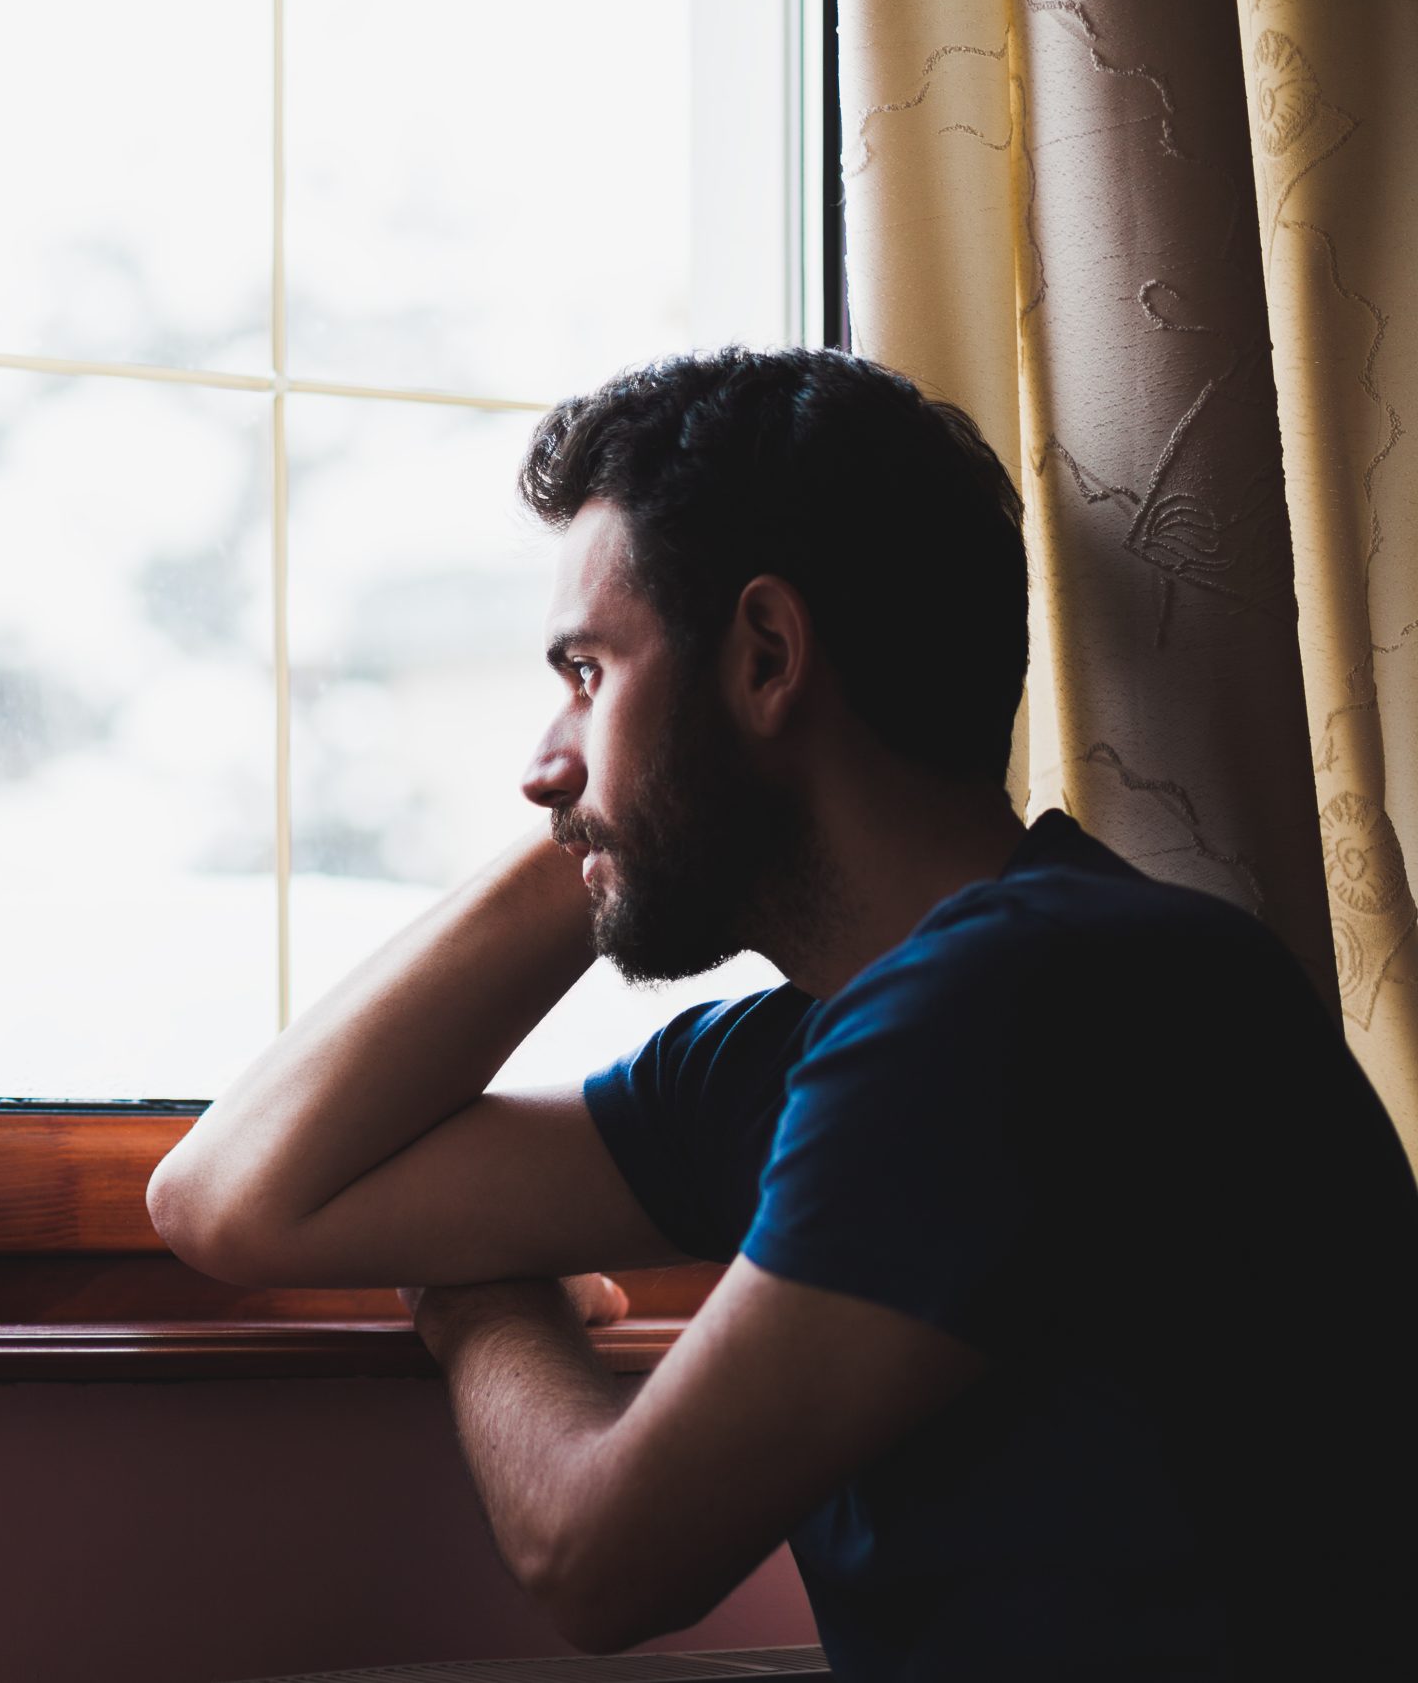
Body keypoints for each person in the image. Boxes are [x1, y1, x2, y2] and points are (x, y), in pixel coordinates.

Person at [145, 347, 1418, 1678]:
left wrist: (479, 1312)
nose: (538, 765)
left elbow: (598, 1560)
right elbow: (230, 1197)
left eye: (586, 675)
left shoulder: (1043, 998)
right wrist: (617, 807)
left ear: (766, 657)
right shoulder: (814, 1051)